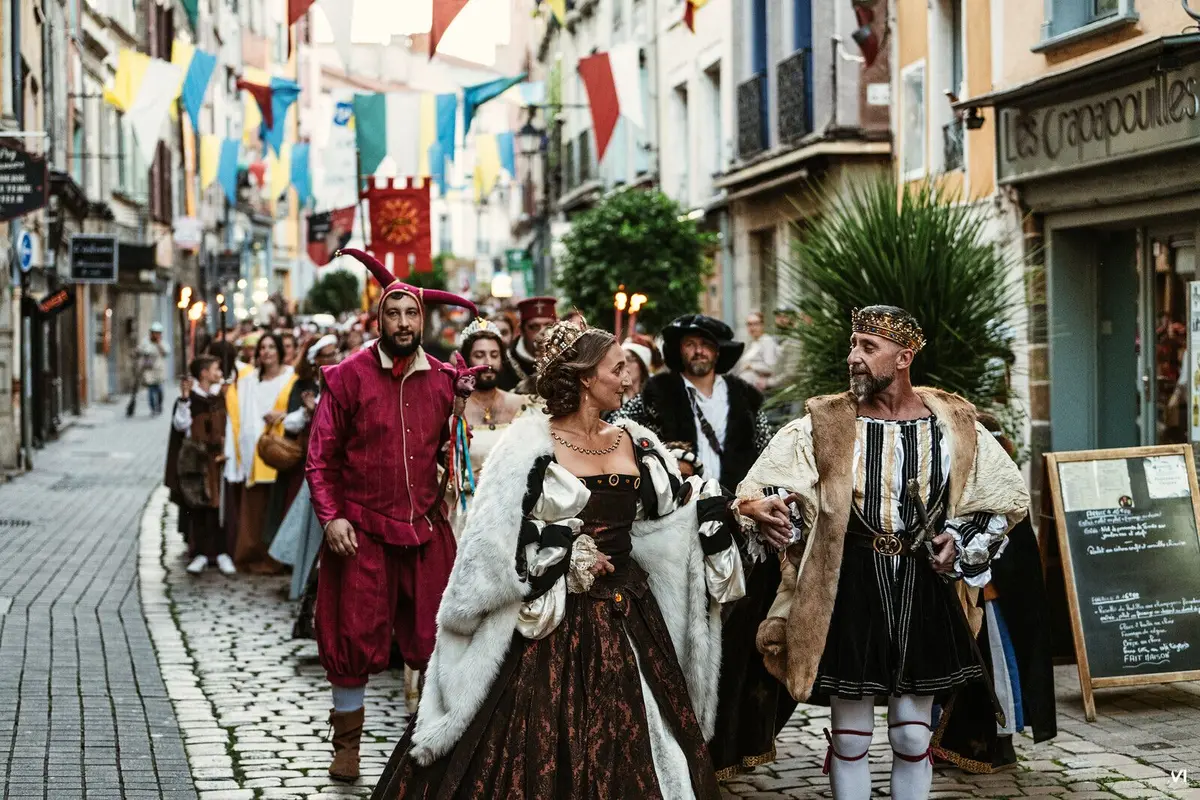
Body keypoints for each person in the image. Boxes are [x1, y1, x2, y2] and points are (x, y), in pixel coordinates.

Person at [371, 321, 746, 799]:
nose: (628, 378)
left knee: (650, 738)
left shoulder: (636, 440)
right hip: (549, 622)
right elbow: (495, 544)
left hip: (630, 612)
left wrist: (738, 508)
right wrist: (564, 558)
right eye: (618, 368)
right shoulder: (528, 449)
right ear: (587, 378)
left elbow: (678, 509)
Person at [736, 305, 1030, 800]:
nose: (853, 357)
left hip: (923, 584)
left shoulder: (954, 425)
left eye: (867, 347)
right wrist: (761, 505)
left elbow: (1000, 498)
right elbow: (767, 482)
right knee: (850, 738)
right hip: (847, 584)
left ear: (903, 357)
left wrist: (956, 540)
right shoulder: (824, 422)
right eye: (853, 345)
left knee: (913, 736)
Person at [306, 248, 481, 782]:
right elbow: (320, 458)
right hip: (359, 529)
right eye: (393, 314)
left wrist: (458, 426)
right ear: (377, 318)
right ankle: (348, 745)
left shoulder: (445, 379)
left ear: (422, 321)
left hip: (425, 528)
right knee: (352, 636)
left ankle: (430, 738)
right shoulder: (347, 377)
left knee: (435, 637)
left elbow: (453, 454)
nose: (403, 324)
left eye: (411, 315)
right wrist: (332, 517)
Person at [617, 313, 791, 779]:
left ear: (719, 351)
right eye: (690, 344)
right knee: (681, 633)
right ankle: (676, 739)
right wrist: (666, 461)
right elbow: (623, 439)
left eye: (706, 344)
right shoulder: (653, 397)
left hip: (741, 523)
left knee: (735, 635)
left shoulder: (744, 397)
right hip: (679, 526)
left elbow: (769, 453)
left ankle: (725, 740)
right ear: (678, 352)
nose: (698, 351)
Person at [932, 413, 1057, 773]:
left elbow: (1010, 553)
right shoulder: (960, 484)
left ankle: (996, 746)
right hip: (965, 599)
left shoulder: (1001, 491)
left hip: (990, 601)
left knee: (996, 676)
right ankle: (960, 744)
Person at [268, 334, 340, 601]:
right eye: (328, 355)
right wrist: (309, 410)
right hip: (313, 468)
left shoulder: (341, 381)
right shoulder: (306, 386)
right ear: (317, 361)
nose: (334, 359)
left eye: (336, 353)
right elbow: (292, 423)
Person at [447, 318, 531, 539]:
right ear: (466, 360)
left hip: (511, 515)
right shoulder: (453, 410)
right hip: (466, 518)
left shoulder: (524, 406)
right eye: (480, 355)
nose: (488, 362)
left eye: (494, 355)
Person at [224, 332, 297, 574]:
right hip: (255, 449)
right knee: (256, 507)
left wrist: (282, 417)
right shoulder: (249, 381)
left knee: (276, 505)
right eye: (262, 348)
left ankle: (277, 558)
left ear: (279, 350)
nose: (266, 352)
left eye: (270, 347)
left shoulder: (290, 378)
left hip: (280, 450)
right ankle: (254, 555)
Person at [165, 355, 236, 576]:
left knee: (220, 508)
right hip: (198, 461)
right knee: (200, 508)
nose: (219, 372)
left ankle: (222, 552)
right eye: (216, 368)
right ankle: (201, 553)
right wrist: (185, 398)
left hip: (220, 460)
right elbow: (181, 425)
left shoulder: (221, 395)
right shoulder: (191, 399)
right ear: (204, 373)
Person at [497, 296, 557, 392]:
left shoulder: (567, 357)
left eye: (549, 326)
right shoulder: (505, 361)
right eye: (534, 327)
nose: (542, 332)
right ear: (521, 330)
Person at [734, 310, 780, 392]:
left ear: (762, 325)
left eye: (756, 324)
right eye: (749, 324)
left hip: (760, 388)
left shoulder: (767, 341)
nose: (752, 327)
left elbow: (771, 368)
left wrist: (751, 366)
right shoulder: (752, 343)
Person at [138, 322, 169, 416]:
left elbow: (166, 353)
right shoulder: (145, 342)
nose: (156, 335)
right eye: (154, 332)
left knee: (159, 390)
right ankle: (153, 408)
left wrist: (159, 344)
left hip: (159, 371)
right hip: (149, 370)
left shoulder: (163, 343)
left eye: (158, 333)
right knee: (151, 390)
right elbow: (140, 350)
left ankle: (159, 406)